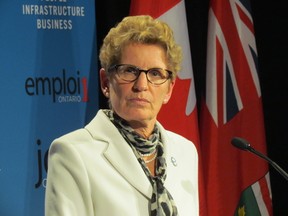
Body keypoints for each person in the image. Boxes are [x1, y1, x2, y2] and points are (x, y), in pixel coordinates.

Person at [45, 15, 199, 216]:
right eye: (129, 71)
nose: (141, 85)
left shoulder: (186, 152)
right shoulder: (73, 154)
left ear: (169, 89)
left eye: (155, 74)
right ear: (105, 82)